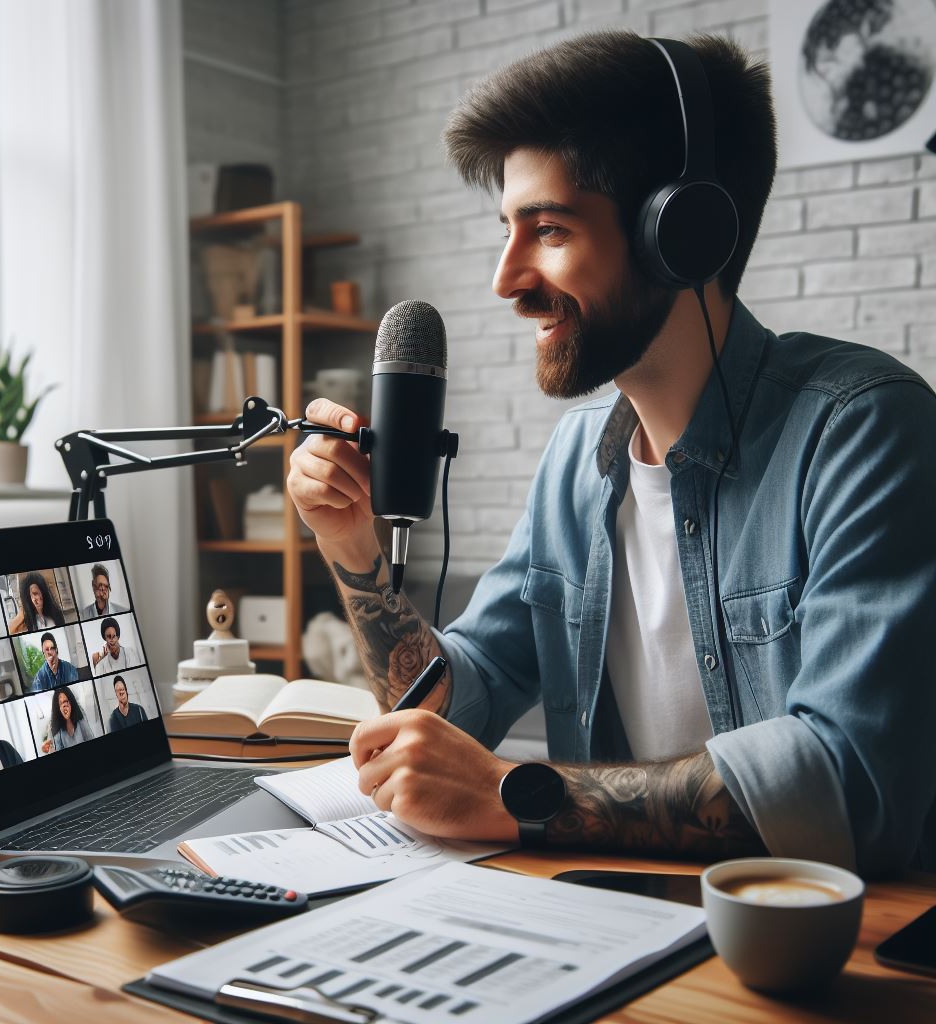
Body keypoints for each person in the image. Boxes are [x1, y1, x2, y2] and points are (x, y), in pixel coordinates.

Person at [286, 30, 936, 878]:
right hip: (614, 924)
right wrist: (350, 544)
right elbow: (459, 707)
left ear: (682, 235)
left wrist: (519, 793)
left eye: (547, 230)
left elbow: (853, 785)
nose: (506, 279)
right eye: (507, 232)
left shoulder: (864, 432)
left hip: (822, 952)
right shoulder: (573, 464)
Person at [43, 686, 94, 752]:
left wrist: (69, 718)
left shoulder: (79, 712)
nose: (64, 706)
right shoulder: (54, 725)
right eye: (61, 703)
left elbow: (89, 737)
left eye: (66, 701)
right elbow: (56, 748)